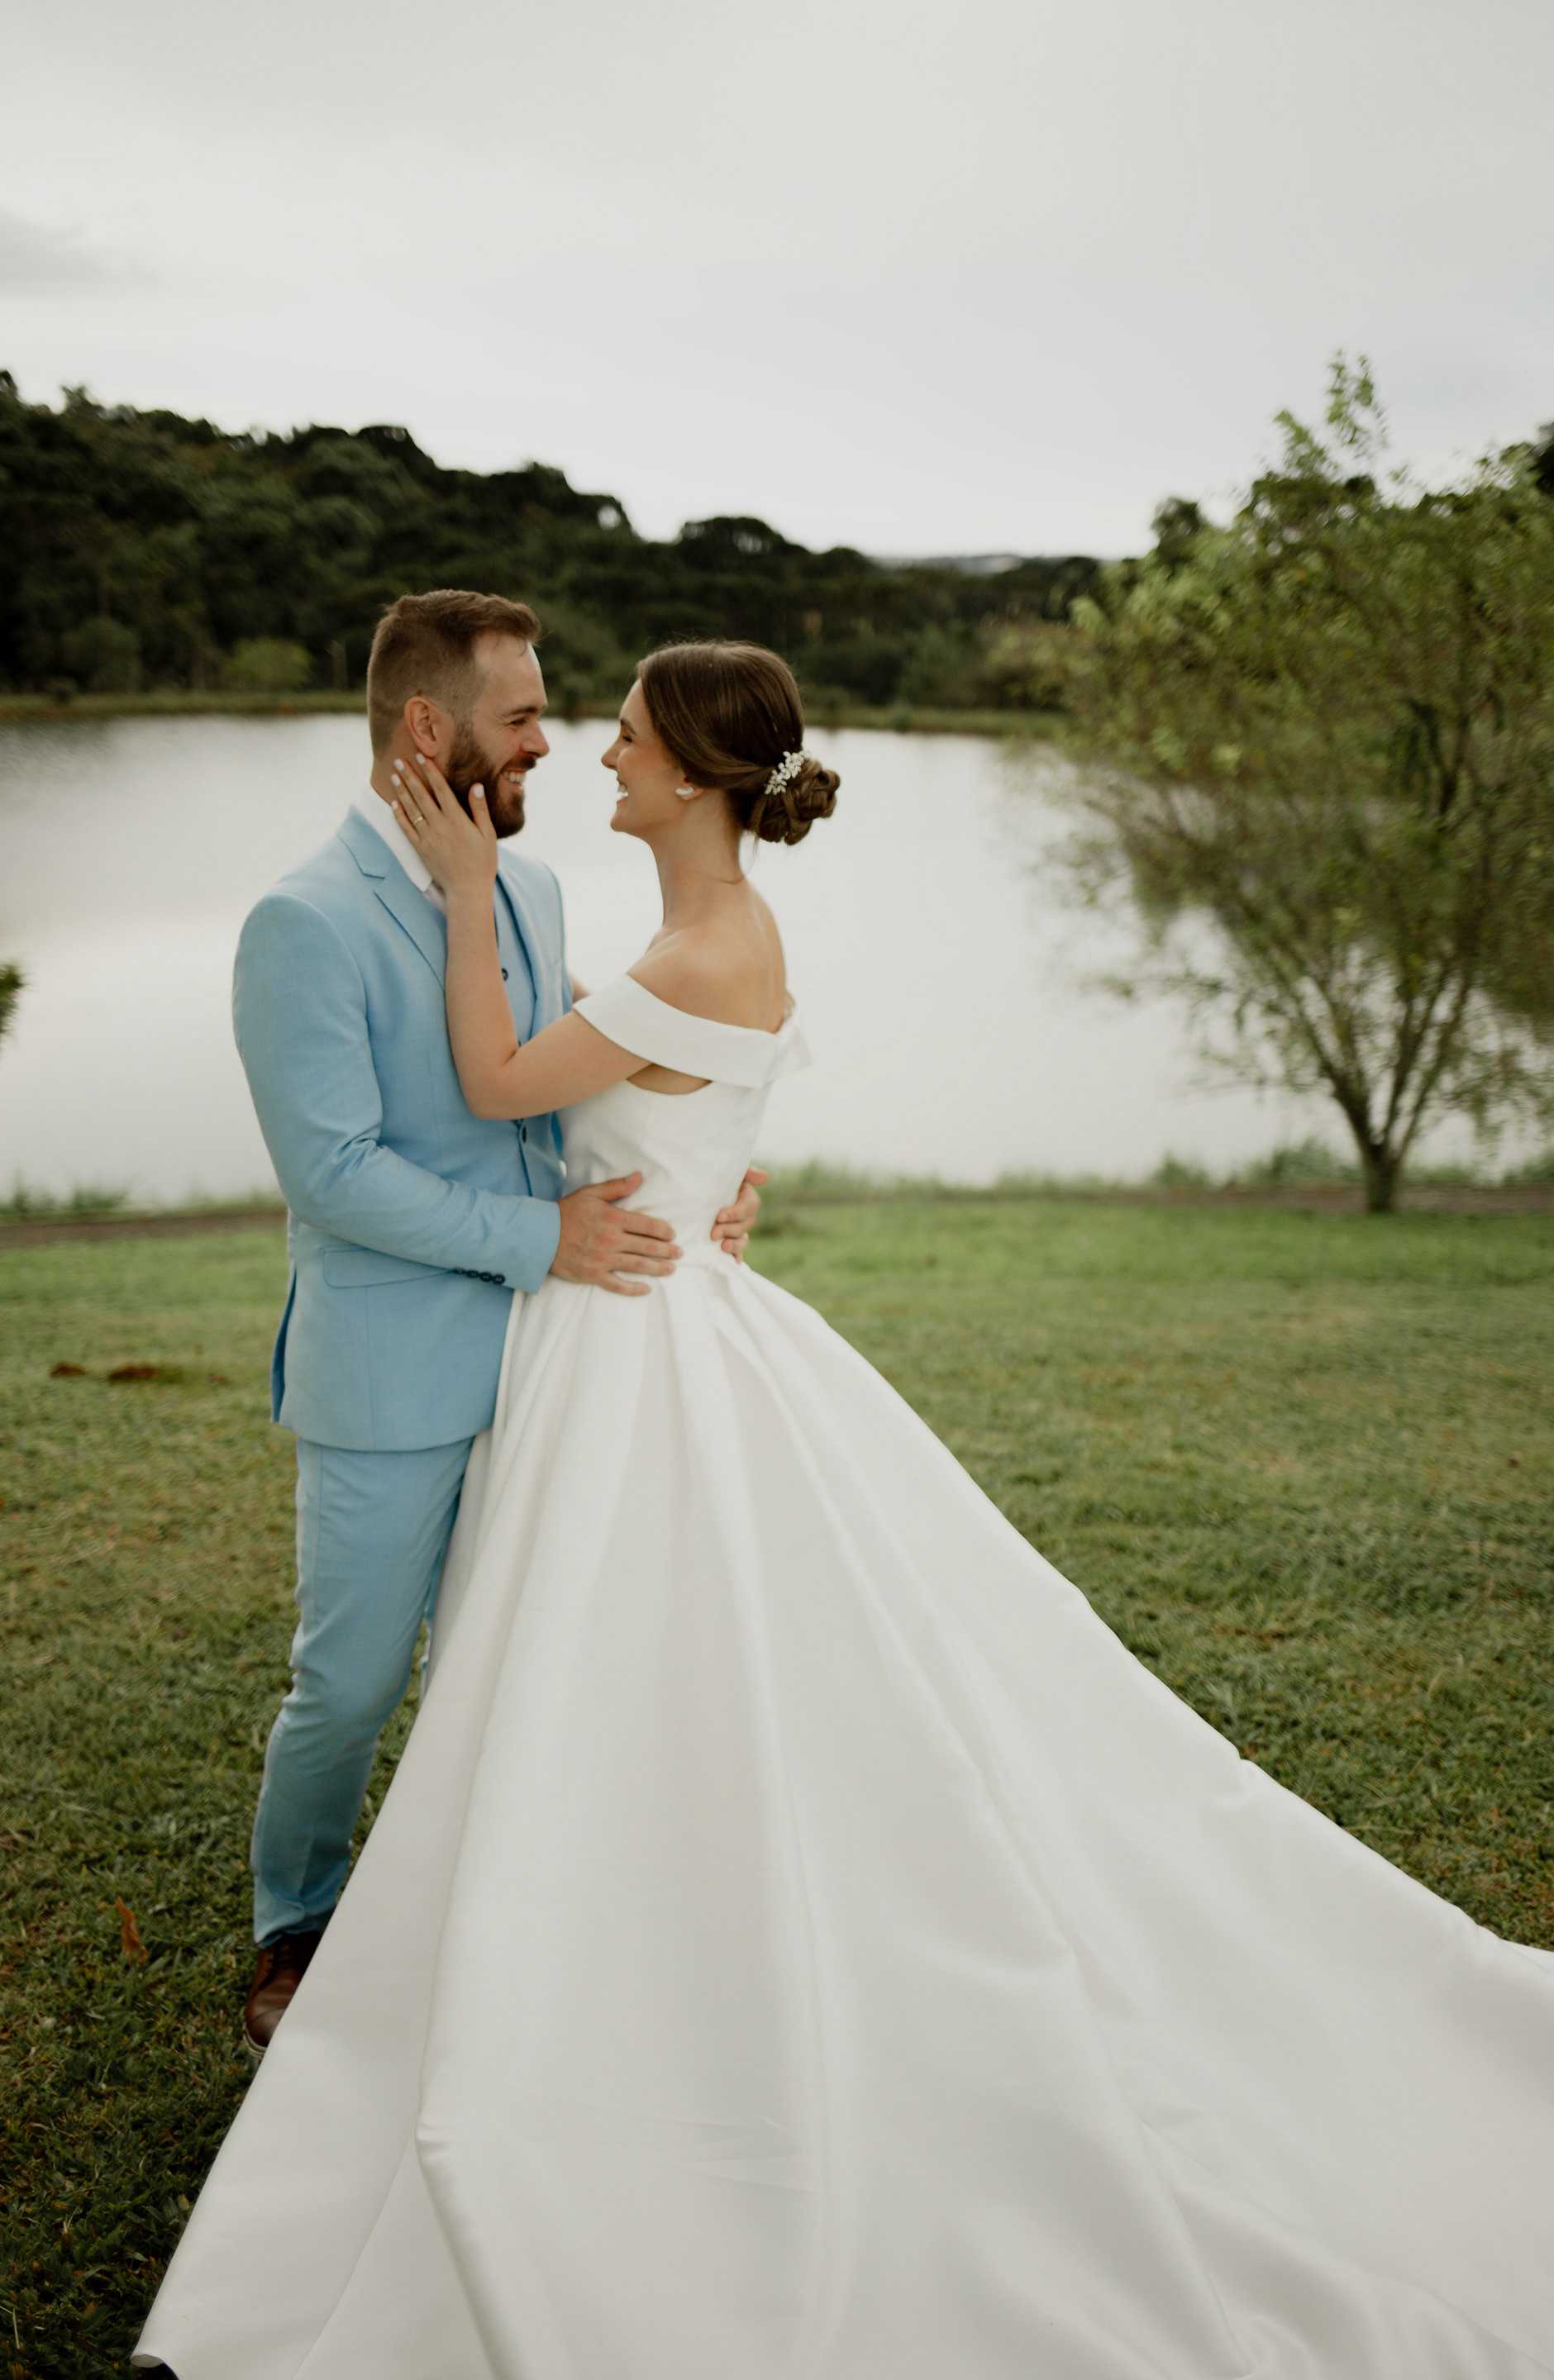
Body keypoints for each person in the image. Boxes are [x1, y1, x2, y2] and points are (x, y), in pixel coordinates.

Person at [140, 642, 1554, 2379]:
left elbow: (520, 1085)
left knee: (610, 1673)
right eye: (550, 719)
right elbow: (578, 1104)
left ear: (691, 773)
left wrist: (604, 1089)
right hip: (574, 1327)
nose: (586, 748)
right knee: (470, 1673)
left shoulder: (631, 922)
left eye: (619, 733)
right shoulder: (501, 921)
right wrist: (696, 1174)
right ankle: (338, 1933)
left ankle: (596, 1969)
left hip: (629, 1345)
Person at [226, 593, 761, 2053]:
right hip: (395, 1374)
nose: (545, 745)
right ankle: (296, 1925)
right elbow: (335, 1176)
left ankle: (487, 1928)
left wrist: (703, 1160)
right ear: (428, 726)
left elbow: (579, 1063)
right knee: (348, 1684)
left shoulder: (524, 891)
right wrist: (546, 1240)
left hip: (554, 1367)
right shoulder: (303, 921)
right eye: (521, 718)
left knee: (516, 1672)